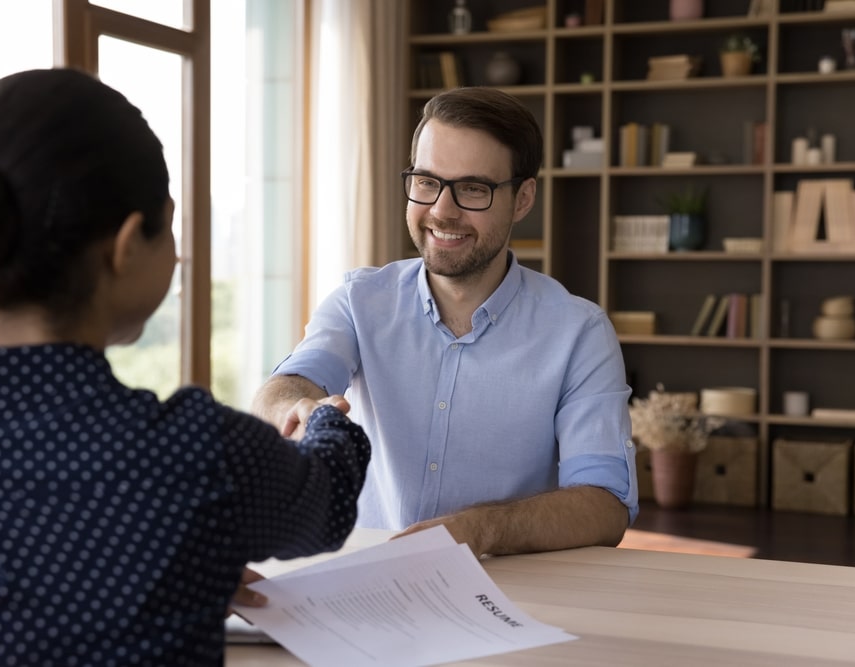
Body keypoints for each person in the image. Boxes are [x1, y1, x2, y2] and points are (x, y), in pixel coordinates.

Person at [0, 68, 370, 666]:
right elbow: (327, 507)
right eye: (170, 225)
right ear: (126, 245)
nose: (177, 251)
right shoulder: (199, 452)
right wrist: (328, 421)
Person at [252, 87, 637, 559]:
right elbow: (285, 387)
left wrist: (482, 529)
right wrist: (298, 407)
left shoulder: (580, 333)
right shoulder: (359, 301)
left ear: (522, 199)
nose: (441, 210)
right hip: (364, 583)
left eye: (473, 188)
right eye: (427, 182)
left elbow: (605, 505)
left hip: (508, 596)